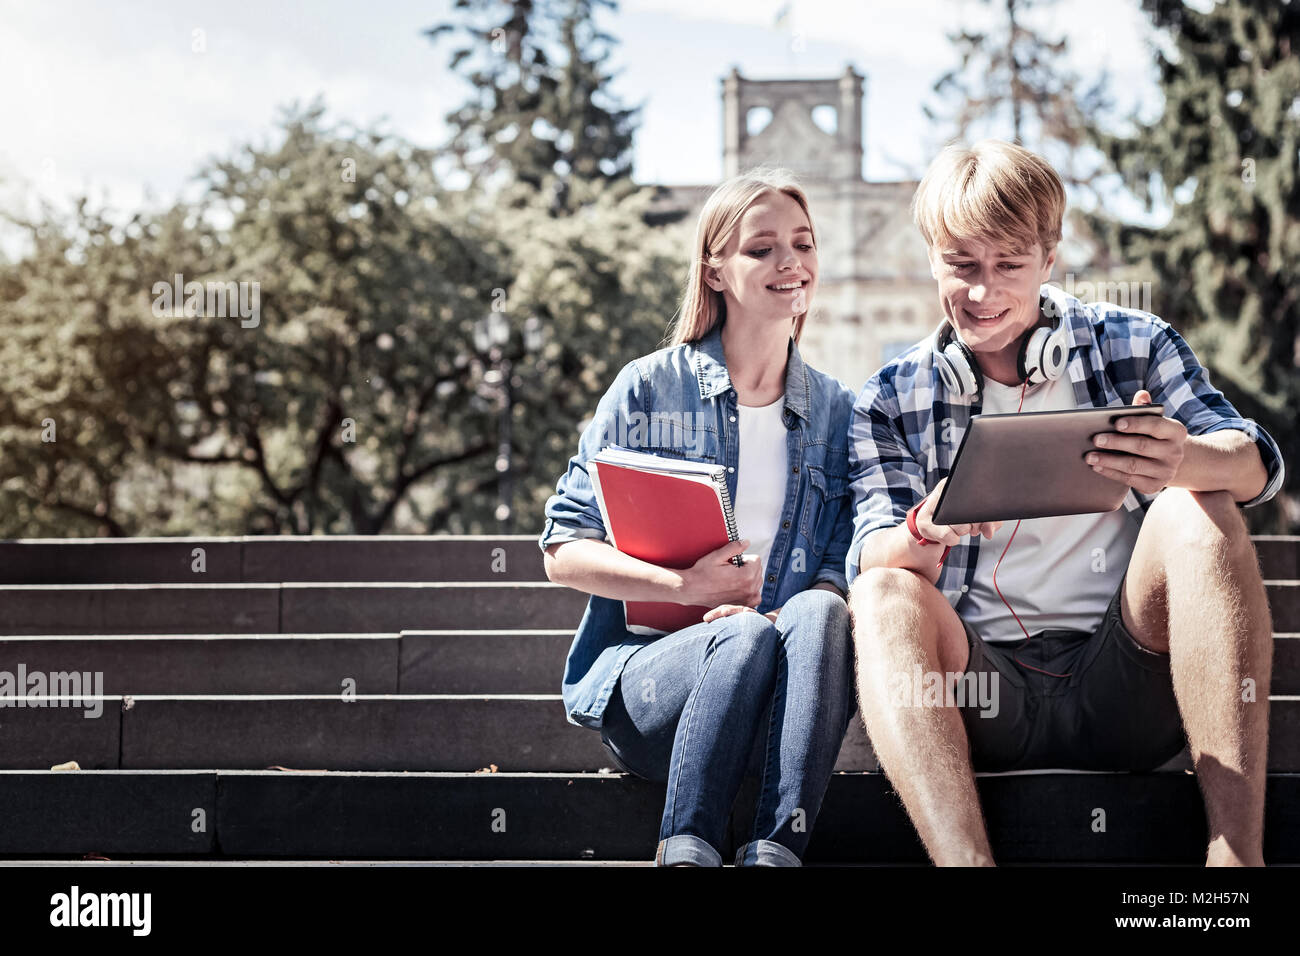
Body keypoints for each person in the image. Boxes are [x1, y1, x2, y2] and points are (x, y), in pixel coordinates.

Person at [846, 140, 1284, 867]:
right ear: (932, 259)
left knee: (1196, 507)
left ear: (1049, 259)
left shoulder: (1135, 344)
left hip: (1127, 685)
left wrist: (1184, 457)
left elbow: (1255, 463)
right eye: (961, 266)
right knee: (885, 589)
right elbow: (870, 549)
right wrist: (924, 527)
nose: (982, 293)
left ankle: (1235, 870)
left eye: (1008, 265)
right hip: (983, 695)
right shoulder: (890, 396)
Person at [539, 169, 857, 867]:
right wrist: (687, 589)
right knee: (738, 636)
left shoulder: (838, 412)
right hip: (657, 692)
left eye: (802, 244)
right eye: (762, 248)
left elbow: (838, 566)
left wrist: (790, 614)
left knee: (824, 613)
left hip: (781, 700)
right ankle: (687, 848)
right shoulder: (651, 387)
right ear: (714, 270)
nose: (790, 263)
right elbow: (562, 550)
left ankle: (778, 849)